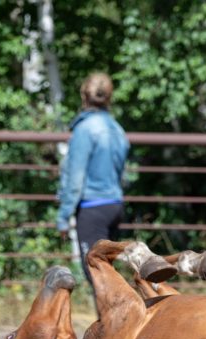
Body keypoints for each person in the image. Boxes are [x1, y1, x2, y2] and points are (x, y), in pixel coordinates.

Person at [56, 72, 130, 284]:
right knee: (107, 275)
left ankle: (115, 309)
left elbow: (75, 178)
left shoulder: (84, 130)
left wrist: (63, 217)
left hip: (92, 208)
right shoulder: (118, 129)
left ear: (84, 96)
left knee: (96, 276)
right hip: (114, 205)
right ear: (109, 97)